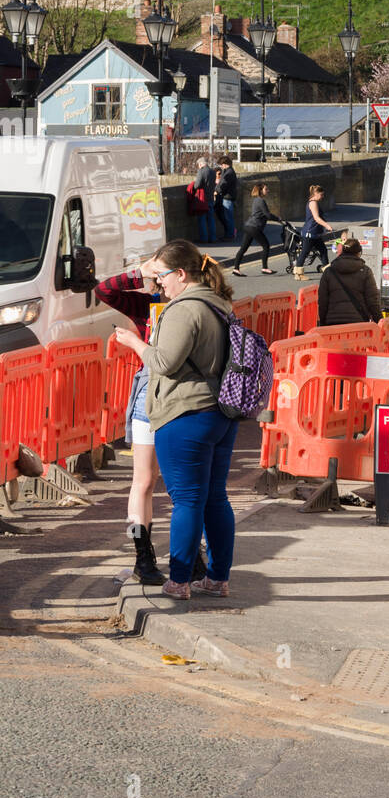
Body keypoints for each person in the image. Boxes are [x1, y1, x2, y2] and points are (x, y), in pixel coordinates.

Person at [114, 242, 238, 601]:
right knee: (215, 499)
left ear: (181, 274)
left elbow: (165, 362)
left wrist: (136, 344)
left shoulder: (183, 309)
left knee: (186, 501)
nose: (159, 284)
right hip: (221, 413)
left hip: (185, 414)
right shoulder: (219, 302)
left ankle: (179, 580)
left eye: (163, 276)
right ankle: (216, 579)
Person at [95, 257, 168, 586]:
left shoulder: (199, 303)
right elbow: (104, 290)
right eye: (159, 272)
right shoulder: (147, 304)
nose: (162, 280)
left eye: (166, 271)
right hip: (148, 396)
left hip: (188, 400)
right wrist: (140, 271)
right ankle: (142, 557)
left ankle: (192, 556)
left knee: (186, 487)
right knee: (145, 481)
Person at [318, 236, 382, 325]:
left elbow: (323, 301)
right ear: (359, 253)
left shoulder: (329, 271)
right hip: (358, 323)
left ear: (343, 251)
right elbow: (372, 301)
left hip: (333, 323)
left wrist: (323, 322)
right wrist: (379, 321)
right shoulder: (365, 271)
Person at [231, 182, 281, 276]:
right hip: (254, 227)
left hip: (248, 226)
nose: (268, 190)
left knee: (243, 248)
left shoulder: (256, 200)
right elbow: (267, 215)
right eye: (266, 189)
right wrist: (278, 219)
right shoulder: (261, 201)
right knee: (266, 246)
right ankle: (265, 268)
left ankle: (236, 269)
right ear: (261, 191)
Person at [295, 184, 334, 279]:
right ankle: (298, 274)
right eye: (321, 195)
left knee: (323, 250)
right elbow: (316, 218)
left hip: (315, 233)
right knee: (305, 252)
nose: (322, 197)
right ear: (315, 193)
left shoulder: (314, 202)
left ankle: (327, 271)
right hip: (310, 232)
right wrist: (327, 225)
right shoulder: (313, 203)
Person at [193, 154, 217, 245]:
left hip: (202, 199)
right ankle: (213, 238)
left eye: (198, 165)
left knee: (202, 219)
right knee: (211, 219)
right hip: (210, 197)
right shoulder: (212, 171)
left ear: (200, 164)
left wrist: (195, 184)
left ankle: (203, 238)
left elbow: (197, 185)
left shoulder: (201, 172)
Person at [216, 156, 238, 240]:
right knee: (228, 217)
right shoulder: (228, 171)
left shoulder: (229, 173)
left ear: (225, 164)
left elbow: (223, 184)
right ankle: (229, 234)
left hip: (227, 197)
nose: (221, 166)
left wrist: (216, 190)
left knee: (228, 218)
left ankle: (230, 235)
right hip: (228, 197)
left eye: (221, 164)